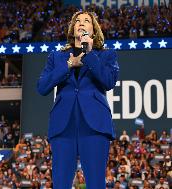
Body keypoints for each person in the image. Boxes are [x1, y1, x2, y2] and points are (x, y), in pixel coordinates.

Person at [37, 11, 119, 189]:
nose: (81, 23)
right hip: (63, 126)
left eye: (86, 21)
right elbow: (42, 87)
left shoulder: (106, 55)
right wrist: (68, 65)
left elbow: (109, 81)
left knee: (96, 183)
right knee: (60, 183)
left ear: (94, 30)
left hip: (94, 125)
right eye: (77, 21)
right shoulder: (56, 56)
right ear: (72, 29)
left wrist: (89, 54)